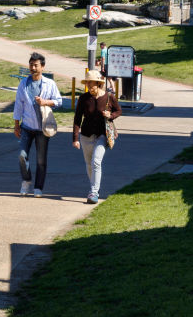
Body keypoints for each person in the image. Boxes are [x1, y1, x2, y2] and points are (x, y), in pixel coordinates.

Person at [13, 52, 63, 197]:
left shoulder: (50, 83)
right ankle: (26, 180)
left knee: (41, 160)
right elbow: (18, 105)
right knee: (22, 156)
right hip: (26, 127)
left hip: (43, 128)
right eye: (31, 65)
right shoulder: (23, 84)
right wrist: (16, 124)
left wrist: (46, 102)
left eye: (36, 65)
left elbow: (59, 101)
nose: (33, 68)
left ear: (42, 67)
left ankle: (38, 188)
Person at [73, 71, 121, 204]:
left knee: (96, 162)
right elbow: (77, 119)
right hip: (86, 135)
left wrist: (110, 115)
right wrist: (75, 138)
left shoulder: (109, 97)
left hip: (102, 135)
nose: (88, 85)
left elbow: (118, 110)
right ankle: (94, 188)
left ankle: (94, 192)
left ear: (98, 83)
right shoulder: (83, 98)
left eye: (90, 82)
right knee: (89, 164)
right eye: (87, 82)